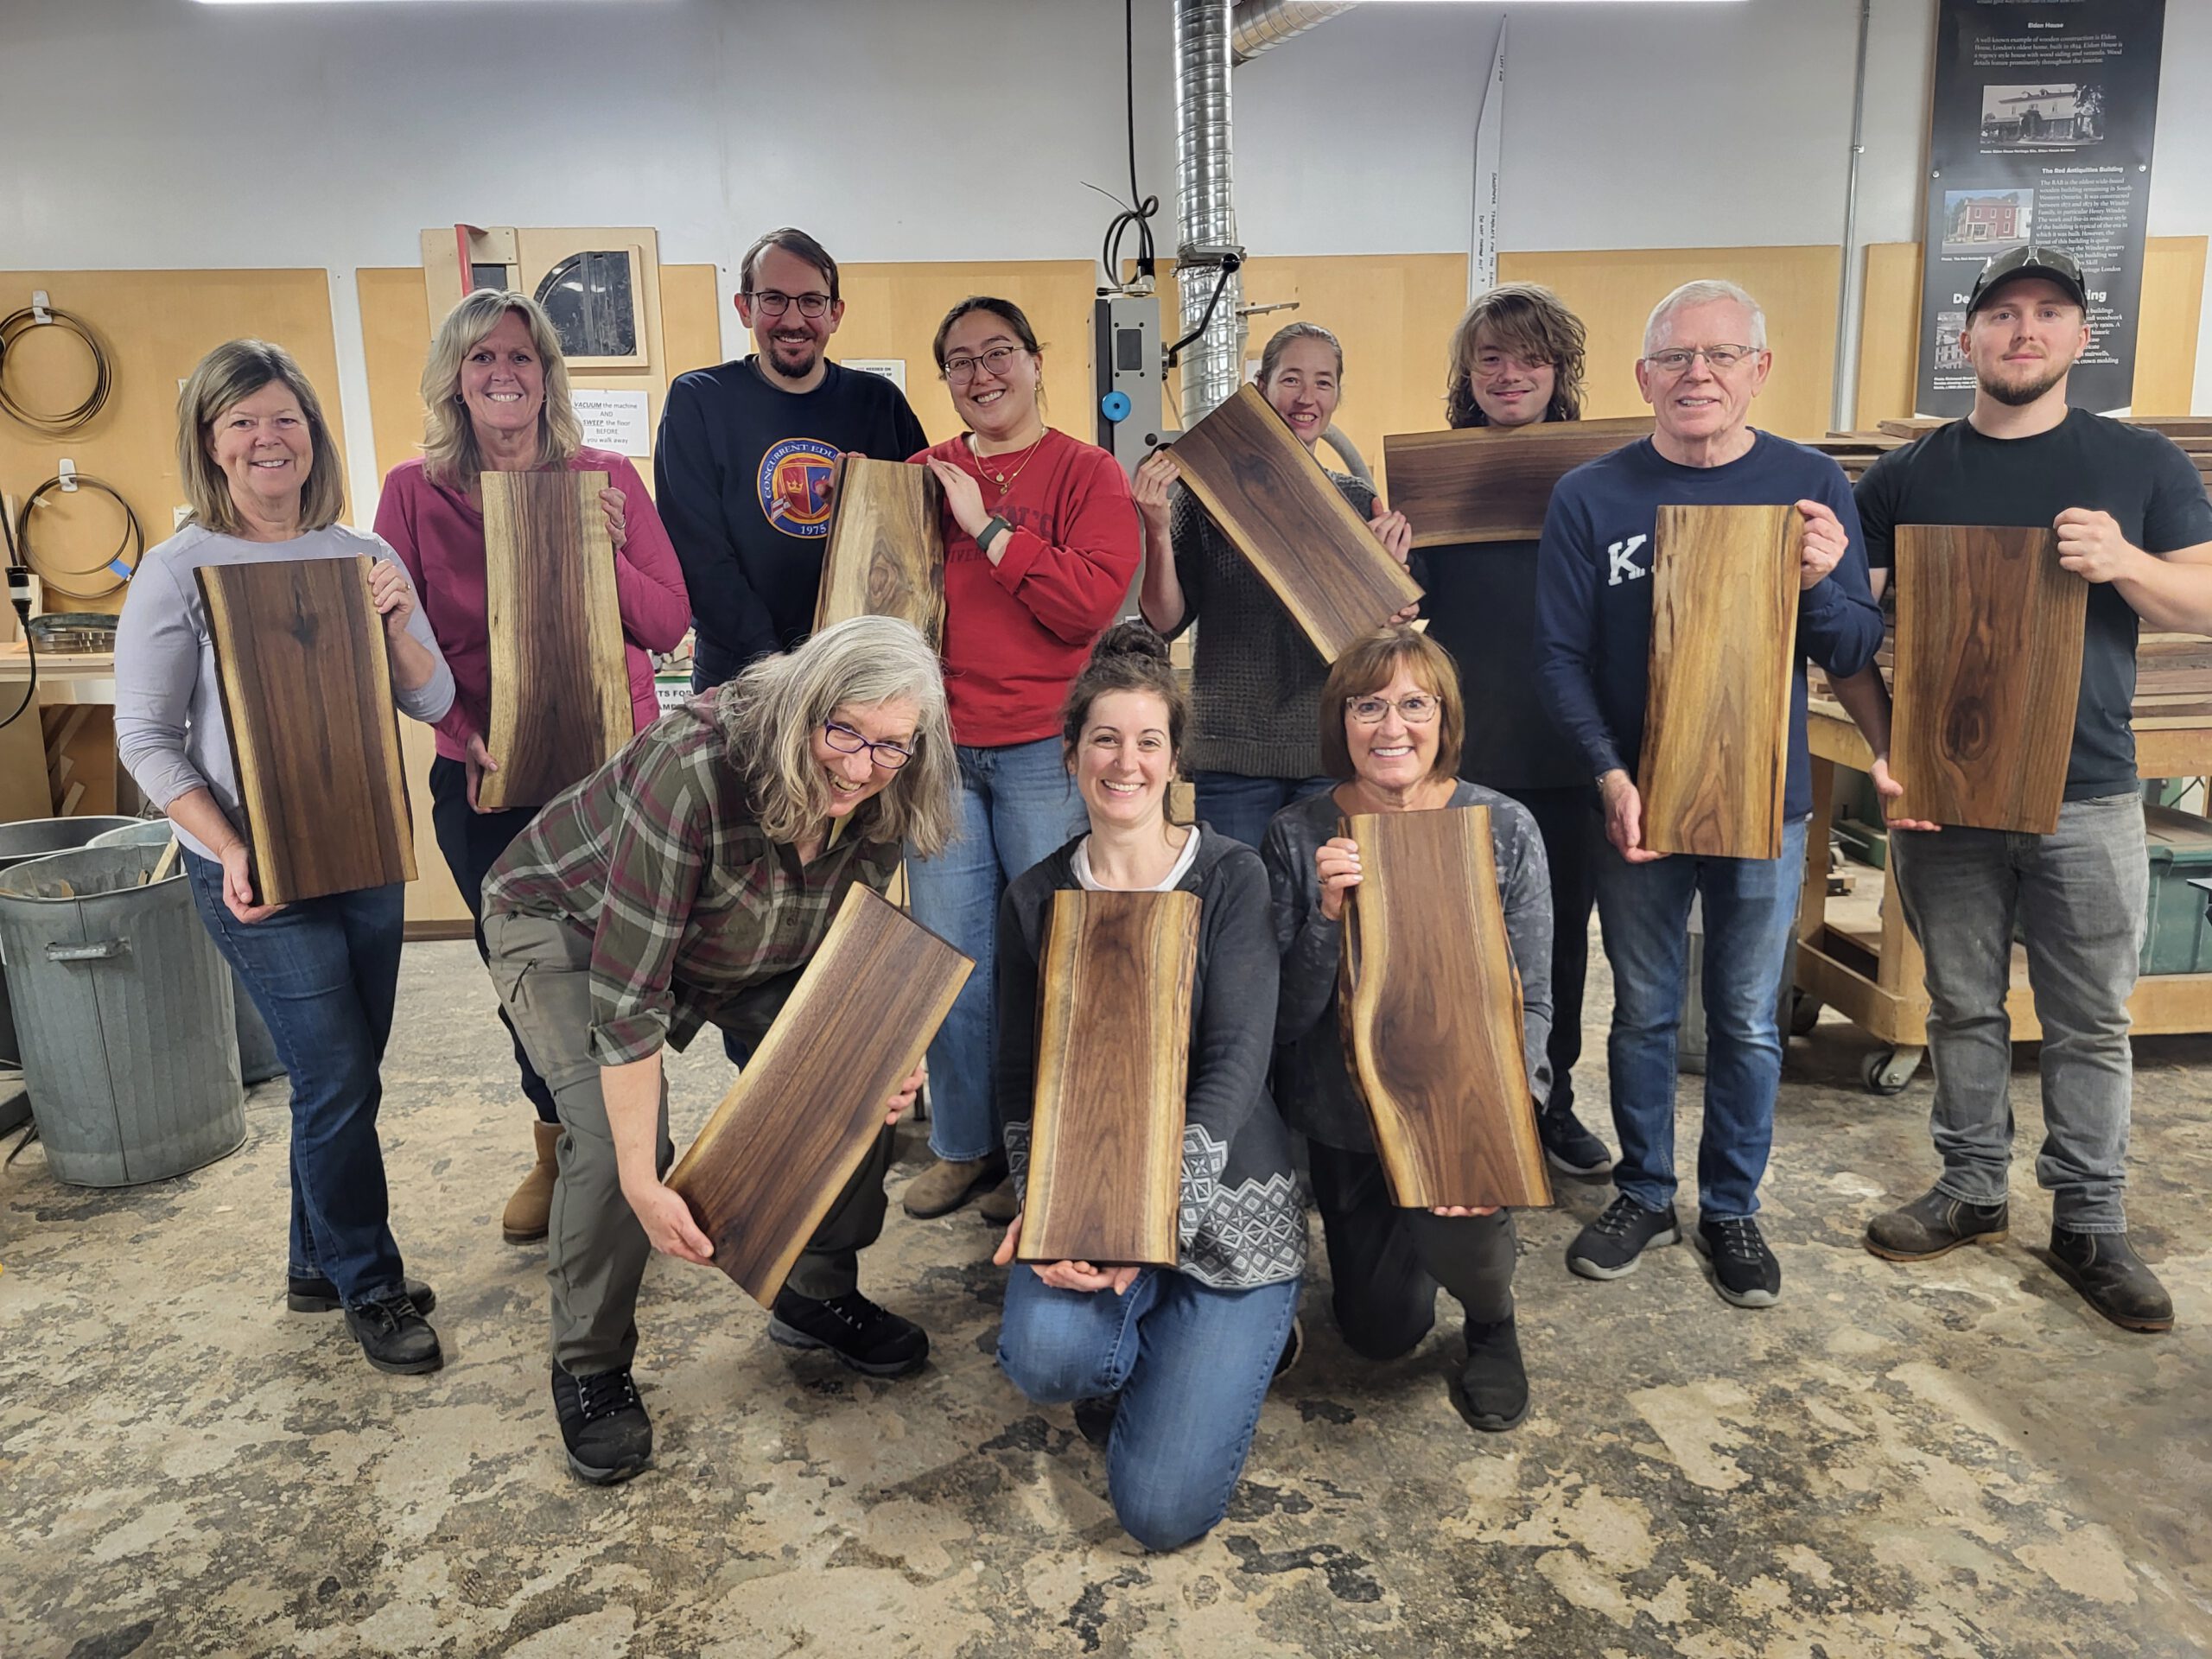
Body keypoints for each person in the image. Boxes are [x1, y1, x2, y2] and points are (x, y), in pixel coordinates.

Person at [478, 616, 958, 1484]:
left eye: (889, 745)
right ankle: (589, 1364)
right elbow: (629, 1002)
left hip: (732, 934)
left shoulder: (889, 779)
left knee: (861, 1064)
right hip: (570, 926)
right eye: (841, 731)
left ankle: (812, 1290)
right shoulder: (694, 767)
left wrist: (884, 1051)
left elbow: (847, 954)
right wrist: (639, 1180)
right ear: (804, 705)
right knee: (614, 1135)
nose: (858, 767)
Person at [1853, 246, 2212, 1333]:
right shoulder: (1906, 475)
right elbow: (1848, 629)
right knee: (1960, 1003)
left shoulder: (2139, 466)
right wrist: (1882, 744)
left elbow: (2202, 602)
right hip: (1944, 791)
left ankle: (2090, 1222)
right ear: (1966, 339)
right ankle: (1970, 1190)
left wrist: (2125, 565)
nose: (2022, 332)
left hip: (2090, 791)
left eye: (2047, 314)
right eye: (2000, 315)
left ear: (2078, 337)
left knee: (2088, 1019)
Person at [1535, 280, 1884, 1308]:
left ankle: (1731, 1206)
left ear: (1758, 371)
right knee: (1641, 1012)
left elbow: (1853, 645)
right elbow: (1558, 656)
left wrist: (1825, 577)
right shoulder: (1591, 495)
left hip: (1759, 805)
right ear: (1644, 377)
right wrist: (1609, 772)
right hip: (1635, 801)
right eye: (1677, 358)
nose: (1699, 375)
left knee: (1744, 1017)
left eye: (1723, 355)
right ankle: (1644, 1189)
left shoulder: (1810, 481)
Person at [114, 339, 454, 1376]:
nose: (268, 439)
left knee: (344, 1076)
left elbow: (431, 700)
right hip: (251, 868)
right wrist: (225, 850)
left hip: (359, 847)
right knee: (337, 1073)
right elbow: (147, 741)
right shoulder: (179, 569)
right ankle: (369, 1280)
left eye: (284, 420)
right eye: (242, 422)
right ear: (210, 444)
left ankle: (317, 1260)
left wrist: (396, 622)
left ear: (312, 436)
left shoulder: (363, 556)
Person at [375, 289, 690, 1247]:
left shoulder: (603, 478)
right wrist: (464, 732)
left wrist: (601, 541)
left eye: (522, 356)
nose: (503, 372)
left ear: (548, 374)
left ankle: (639, 1149)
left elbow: (668, 625)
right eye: (481, 359)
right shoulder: (412, 491)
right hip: (486, 776)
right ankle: (559, 1141)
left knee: (623, 968)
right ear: (454, 381)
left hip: (614, 778)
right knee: (525, 975)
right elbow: (401, 644)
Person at [991, 623, 1305, 1552]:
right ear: (1070, 754)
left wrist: (1150, 1222)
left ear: (1174, 760)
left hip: (1226, 1189)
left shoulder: (1230, 876)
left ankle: (1229, 1331)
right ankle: (1139, 1339)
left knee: (1160, 1515)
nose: (1125, 762)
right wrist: (1040, 1205)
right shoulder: (1033, 898)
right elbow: (1018, 1075)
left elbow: (1236, 1063)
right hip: (1090, 1190)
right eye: (1104, 739)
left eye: (1148, 741)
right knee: (1047, 1359)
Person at [1263, 625, 1552, 1431]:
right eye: (1368, 707)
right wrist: (1327, 917)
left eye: (1414, 704)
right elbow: (1284, 1018)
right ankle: (1405, 1247)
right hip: (1346, 1119)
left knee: (1466, 1235)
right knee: (1380, 1335)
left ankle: (1493, 1320)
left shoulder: (1504, 827)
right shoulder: (1296, 833)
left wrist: (1504, 1115)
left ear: (1444, 716)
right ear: (1340, 723)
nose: (1392, 727)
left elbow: (1535, 1003)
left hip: (1463, 1108)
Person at [899, 296, 1144, 1224]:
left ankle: (1042, 1149)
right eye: (958, 361)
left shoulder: (1087, 475)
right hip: (942, 753)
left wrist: (989, 530)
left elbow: (1086, 607)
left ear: (1038, 362)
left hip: (1046, 750)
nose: (981, 375)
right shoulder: (919, 474)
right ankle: (968, 1148)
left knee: (1050, 955)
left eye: (998, 353)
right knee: (952, 961)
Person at [1421, 283, 1612, 1181]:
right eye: (1491, 358)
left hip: (1567, 752)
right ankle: (1467, 1101)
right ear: (1467, 371)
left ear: (1558, 373)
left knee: (1557, 944)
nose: (1509, 374)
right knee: (1457, 939)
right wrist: (1390, 562)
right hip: (1463, 751)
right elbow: (1402, 610)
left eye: (1529, 359)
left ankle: (1552, 1099)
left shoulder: (1598, 478)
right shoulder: (1431, 475)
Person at [1129, 322, 1414, 849]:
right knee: (1242, 915)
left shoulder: (1356, 503)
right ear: (1261, 386)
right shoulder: (1206, 497)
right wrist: (1156, 527)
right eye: (1292, 379)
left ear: (1336, 397)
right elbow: (1165, 621)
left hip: (1329, 751)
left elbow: (1374, 647)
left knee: (1322, 914)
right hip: (1232, 755)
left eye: (1323, 382)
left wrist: (1388, 594)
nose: (1307, 397)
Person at [654, 226, 929, 690]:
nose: (793, 319)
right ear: (745, 308)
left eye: (811, 302)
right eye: (774, 299)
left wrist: (867, 498)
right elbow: (698, 553)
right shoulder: (699, 400)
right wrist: (775, 662)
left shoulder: (879, 404)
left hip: (857, 676)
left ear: (835, 313)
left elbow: (918, 535)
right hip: (741, 677)